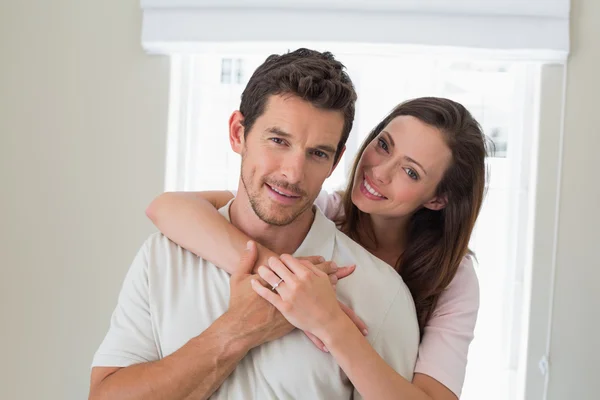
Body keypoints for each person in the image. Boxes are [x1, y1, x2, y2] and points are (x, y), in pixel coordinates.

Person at [89, 48, 419, 400]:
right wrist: (237, 329)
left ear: (335, 162)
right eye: (278, 141)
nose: (293, 174)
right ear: (237, 133)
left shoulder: (380, 294)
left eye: (317, 153)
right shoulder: (163, 257)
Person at [146, 97, 488, 399]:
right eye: (384, 145)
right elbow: (168, 208)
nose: (379, 172)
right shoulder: (318, 211)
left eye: (411, 172)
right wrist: (284, 279)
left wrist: (329, 320)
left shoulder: (454, 278)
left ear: (438, 199)